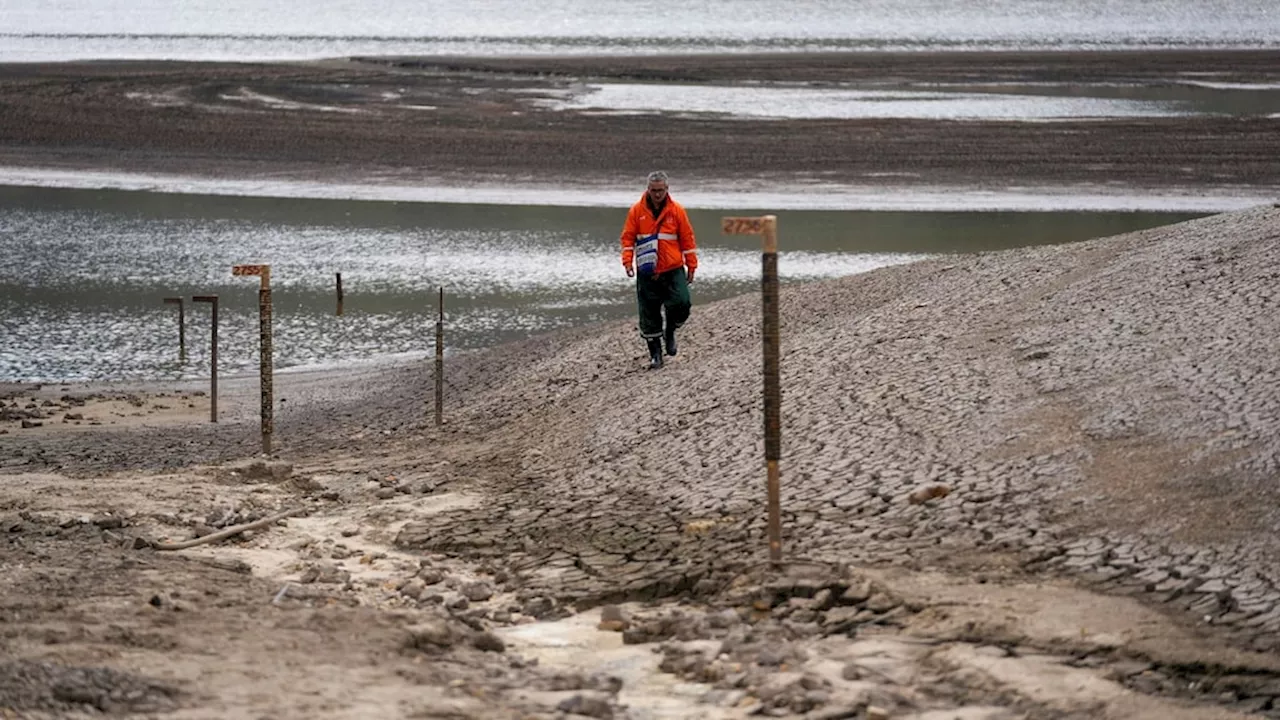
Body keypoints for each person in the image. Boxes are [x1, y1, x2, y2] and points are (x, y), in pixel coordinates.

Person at [620, 170, 698, 369]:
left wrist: (692, 265)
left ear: (667, 189)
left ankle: (670, 330)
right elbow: (628, 238)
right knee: (649, 313)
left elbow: (687, 239)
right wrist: (627, 262)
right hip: (647, 271)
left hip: (672, 268)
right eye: (654, 190)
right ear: (648, 189)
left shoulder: (677, 211)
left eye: (661, 190)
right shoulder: (636, 211)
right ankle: (656, 355)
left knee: (682, 303)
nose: (657, 194)